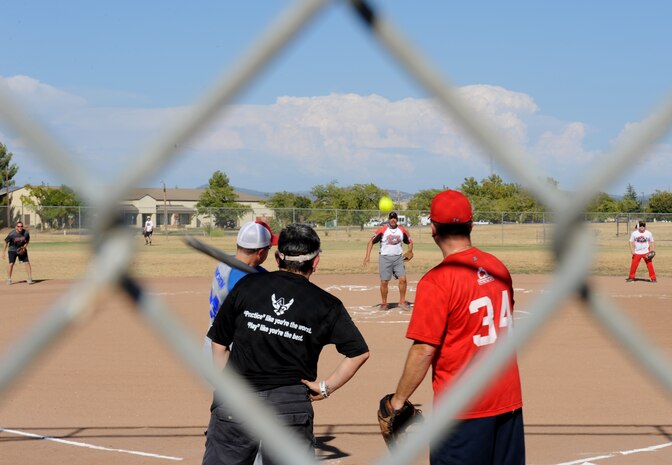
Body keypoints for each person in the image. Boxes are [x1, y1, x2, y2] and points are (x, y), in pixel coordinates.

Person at [203, 223, 370, 465]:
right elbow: (359, 352)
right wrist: (325, 387)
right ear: (316, 262)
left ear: (277, 257)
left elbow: (218, 342)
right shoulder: (327, 304)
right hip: (290, 403)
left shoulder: (247, 286)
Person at [385, 190, 524, 465]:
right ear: (471, 226)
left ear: (433, 228)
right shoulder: (498, 267)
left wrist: (398, 400)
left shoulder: (437, 280)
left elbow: (424, 350)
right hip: (509, 400)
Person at [205, 221, 278, 353]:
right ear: (261, 252)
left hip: (212, 342)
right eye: (269, 248)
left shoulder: (226, 263)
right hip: (230, 351)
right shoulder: (246, 282)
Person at [363, 211, 413, 310]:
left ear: (397, 220)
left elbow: (410, 241)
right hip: (385, 258)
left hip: (398, 258)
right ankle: (384, 303)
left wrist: (410, 250)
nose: (393, 220)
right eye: (391, 218)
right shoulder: (382, 230)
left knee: (403, 279)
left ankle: (402, 302)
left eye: (394, 218)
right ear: (388, 220)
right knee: (384, 281)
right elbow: (371, 242)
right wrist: (367, 256)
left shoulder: (402, 230)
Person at [3, 221, 34, 285]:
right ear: (16, 227)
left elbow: (27, 240)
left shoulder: (26, 233)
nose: (20, 227)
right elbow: (5, 241)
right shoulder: (12, 234)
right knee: (11, 264)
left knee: (27, 263)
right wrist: (3, 252)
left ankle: (30, 278)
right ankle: (9, 279)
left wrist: (24, 247)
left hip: (22, 249)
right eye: (18, 226)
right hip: (12, 250)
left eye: (21, 226)